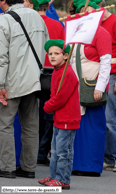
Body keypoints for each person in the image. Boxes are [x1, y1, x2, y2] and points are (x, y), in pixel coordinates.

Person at [0, 0, 49, 178]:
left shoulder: (4, 20)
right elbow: (46, 45)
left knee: (4, 124)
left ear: (4, 1)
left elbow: (1, 57)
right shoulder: (37, 17)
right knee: (31, 126)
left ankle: (7, 167)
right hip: (34, 80)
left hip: (11, 80)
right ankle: (29, 168)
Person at [68, 0, 112, 177]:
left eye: (91, 11)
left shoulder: (101, 33)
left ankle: (91, 166)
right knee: (77, 126)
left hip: (93, 87)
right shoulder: (76, 32)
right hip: (75, 87)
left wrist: (100, 87)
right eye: (84, 11)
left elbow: (106, 62)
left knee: (93, 126)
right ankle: (77, 164)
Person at [91, 0, 116, 172]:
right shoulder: (95, 22)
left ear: (101, 5)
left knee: (112, 117)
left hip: (115, 75)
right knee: (103, 118)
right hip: (101, 75)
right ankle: (109, 158)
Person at [38, 39, 81, 189]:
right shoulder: (57, 71)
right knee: (55, 151)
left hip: (67, 119)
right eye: (50, 53)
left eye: (57, 53)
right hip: (59, 119)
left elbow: (60, 97)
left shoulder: (67, 73)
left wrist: (47, 106)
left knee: (64, 152)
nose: (53, 56)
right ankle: (53, 176)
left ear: (66, 55)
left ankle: (63, 179)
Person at [36, 0, 65, 165]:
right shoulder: (57, 25)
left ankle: (35, 151)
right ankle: (43, 151)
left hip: (35, 71)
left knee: (33, 114)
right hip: (53, 73)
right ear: (48, 6)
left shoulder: (31, 22)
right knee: (49, 114)